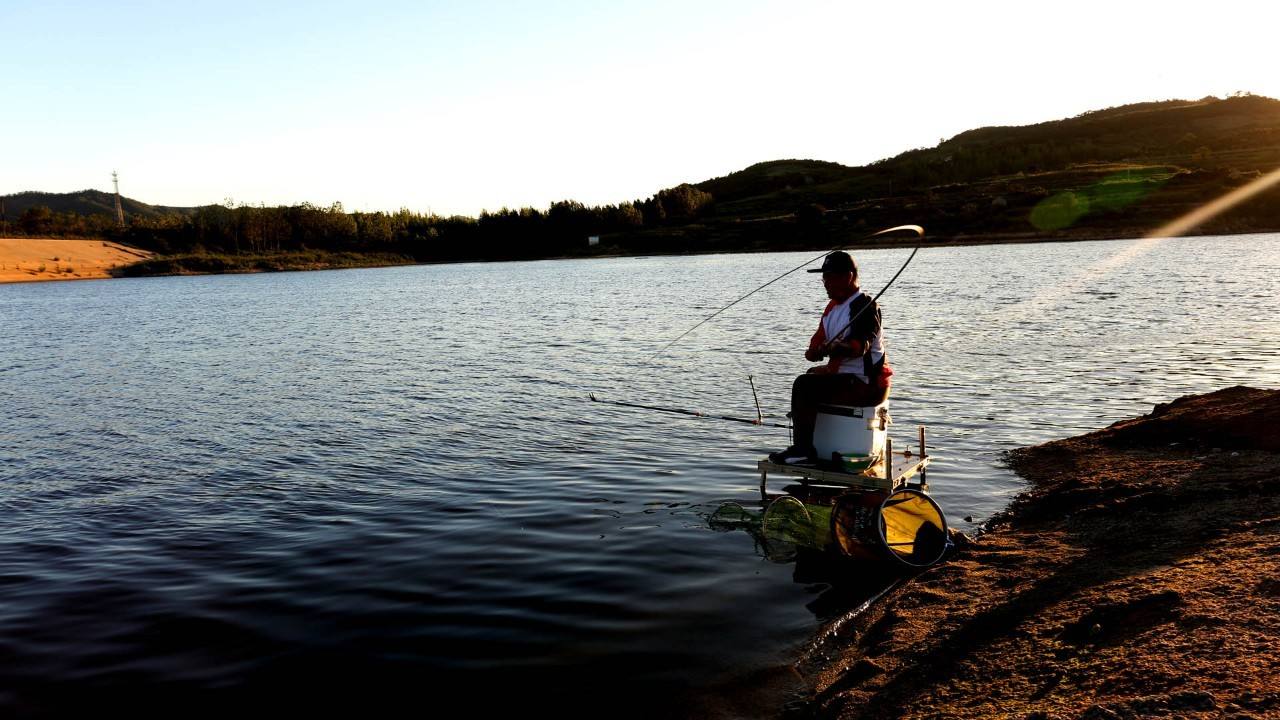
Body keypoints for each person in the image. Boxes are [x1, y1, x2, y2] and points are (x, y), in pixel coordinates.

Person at [770, 250, 892, 463]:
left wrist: (836, 348)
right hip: (847, 379)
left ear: (849, 277)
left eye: (830, 277)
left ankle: (803, 450)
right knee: (810, 375)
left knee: (803, 385)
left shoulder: (865, 306)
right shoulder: (832, 308)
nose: (825, 283)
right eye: (824, 278)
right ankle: (812, 444)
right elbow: (816, 343)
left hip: (868, 384)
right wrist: (815, 352)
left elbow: (859, 347)